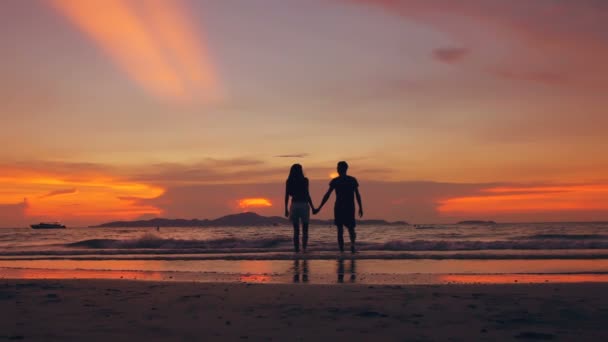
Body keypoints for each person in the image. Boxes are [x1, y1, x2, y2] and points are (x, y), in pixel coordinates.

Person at [314, 161, 363, 253]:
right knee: (344, 229)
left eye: (338, 167)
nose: (337, 169)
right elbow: (327, 195)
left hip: (345, 207)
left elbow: (357, 194)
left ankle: (349, 247)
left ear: (342, 169)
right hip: (342, 207)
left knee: (347, 228)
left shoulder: (349, 180)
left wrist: (360, 207)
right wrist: (320, 207)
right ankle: (344, 249)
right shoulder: (338, 180)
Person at [284, 164, 315, 253]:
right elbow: (307, 194)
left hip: (294, 205)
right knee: (305, 229)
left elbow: (287, 195)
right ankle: (304, 249)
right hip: (304, 205)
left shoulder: (289, 181)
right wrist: (312, 207)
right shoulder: (305, 180)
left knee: (296, 230)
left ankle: (296, 250)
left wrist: (286, 208)